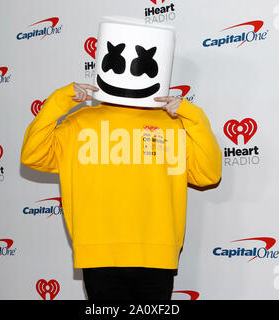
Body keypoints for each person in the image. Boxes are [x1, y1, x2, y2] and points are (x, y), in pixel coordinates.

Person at [21, 82, 222, 300]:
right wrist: (61, 100)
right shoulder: (79, 123)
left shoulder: (171, 125)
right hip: (102, 255)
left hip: (153, 255)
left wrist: (192, 116)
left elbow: (208, 174)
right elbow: (33, 154)